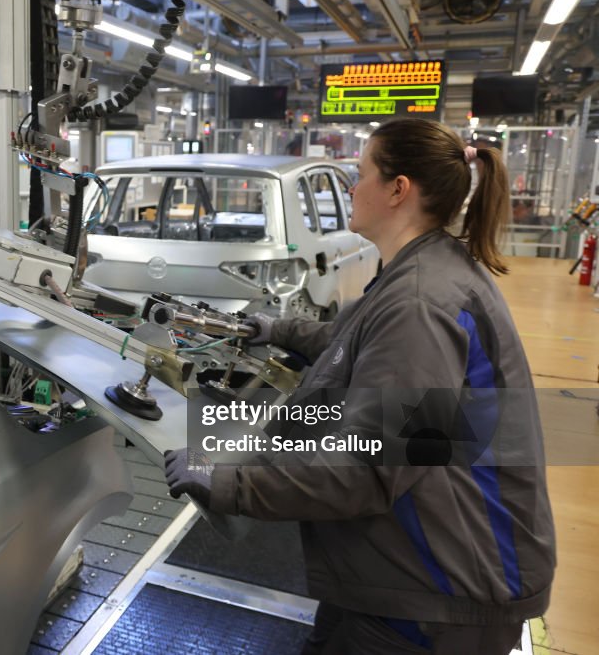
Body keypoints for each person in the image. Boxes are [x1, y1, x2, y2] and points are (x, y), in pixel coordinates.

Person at [166, 118, 555, 654]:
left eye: (361, 172)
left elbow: (366, 468)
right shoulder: (423, 267)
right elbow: (358, 340)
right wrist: (273, 330)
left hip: (442, 592)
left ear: (398, 190)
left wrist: (228, 482)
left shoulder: (421, 301)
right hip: (407, 568)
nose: (351, 187)